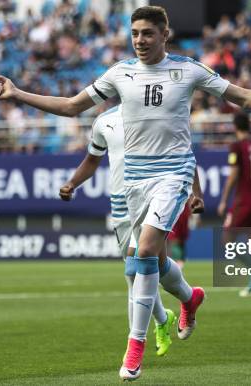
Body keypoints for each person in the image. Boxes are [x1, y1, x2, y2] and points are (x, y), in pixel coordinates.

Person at [0, 6, 251, 380]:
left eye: (148, 33)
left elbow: (245, 98)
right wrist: (17, 93)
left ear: (165, 34)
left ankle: (135, 347)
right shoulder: (120, 73)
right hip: (135, 181)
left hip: (173, 175)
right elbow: (72, 107)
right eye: (135, 33)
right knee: (154, 261)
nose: (139, 40)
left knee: (146, 250)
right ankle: (189, 297)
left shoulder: (188, 70)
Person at [59, 104, 177, 357]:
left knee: (134, 266)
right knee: (133, 275)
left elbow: (180, 151)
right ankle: (163, 318)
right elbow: (92, 160)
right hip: (120, 203)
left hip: (149, 196)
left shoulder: (154, 114)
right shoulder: (104, 121)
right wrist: (72, 183)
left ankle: (134, 345)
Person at [218, 112, 251, 297]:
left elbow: (233, 174)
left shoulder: (237, 146)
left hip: (245, 199)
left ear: (235, 127)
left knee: (227, 240)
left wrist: (224, 200)